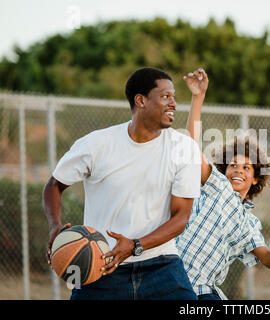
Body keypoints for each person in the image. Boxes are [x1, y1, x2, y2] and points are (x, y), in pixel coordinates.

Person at [43, 67, 201, 300]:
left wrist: (136, 245)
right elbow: (55, 185)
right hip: (101, 266)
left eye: (174, 97)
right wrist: (55, 226)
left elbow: (181, 218)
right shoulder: (97, 144)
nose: (174, 104)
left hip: (162, 266)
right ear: (141, 101)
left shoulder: (184, 148)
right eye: (166, 96)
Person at [176, 68, 270, 300]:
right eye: (233, 165)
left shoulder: (248, 224)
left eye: (246, 167)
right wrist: (198, 97)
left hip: (202, 291)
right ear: (224, 170)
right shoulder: (214, 184)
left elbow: (267, 259)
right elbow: (191, 145)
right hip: (172, 280)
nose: (239, 170)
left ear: (256, 178)